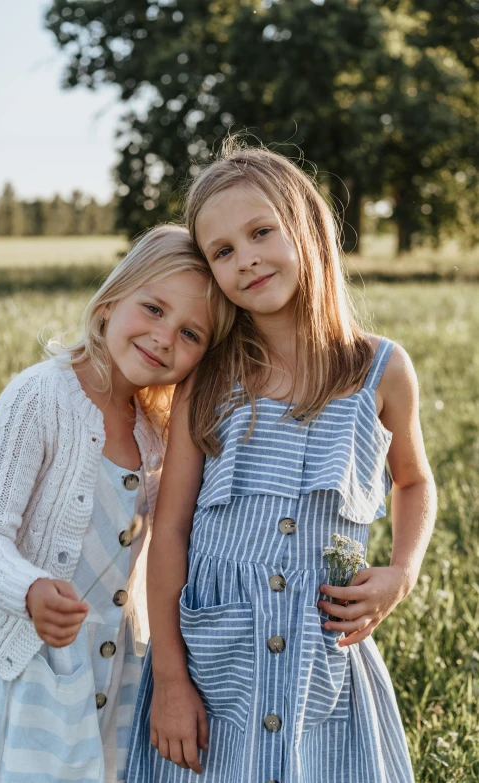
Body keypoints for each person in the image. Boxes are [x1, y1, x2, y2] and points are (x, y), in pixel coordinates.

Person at [126, 146, 437, 783]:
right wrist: (170, 680)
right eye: (222, 251)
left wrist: (401, 572)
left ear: (305, 227)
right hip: (218, 675)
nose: (246, 260)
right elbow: (172, 530)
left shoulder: (379, 369)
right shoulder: (208, 383)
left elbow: (414, 480)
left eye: (261, 232)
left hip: (321, 669)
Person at [0, 224, 235, 783]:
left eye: (190, 334)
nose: (163, 338)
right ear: (109, 304)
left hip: (107, 670)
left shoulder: (158, 437)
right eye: (152, 309)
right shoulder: (42, 396)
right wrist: (29, 589)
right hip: (22, 665)